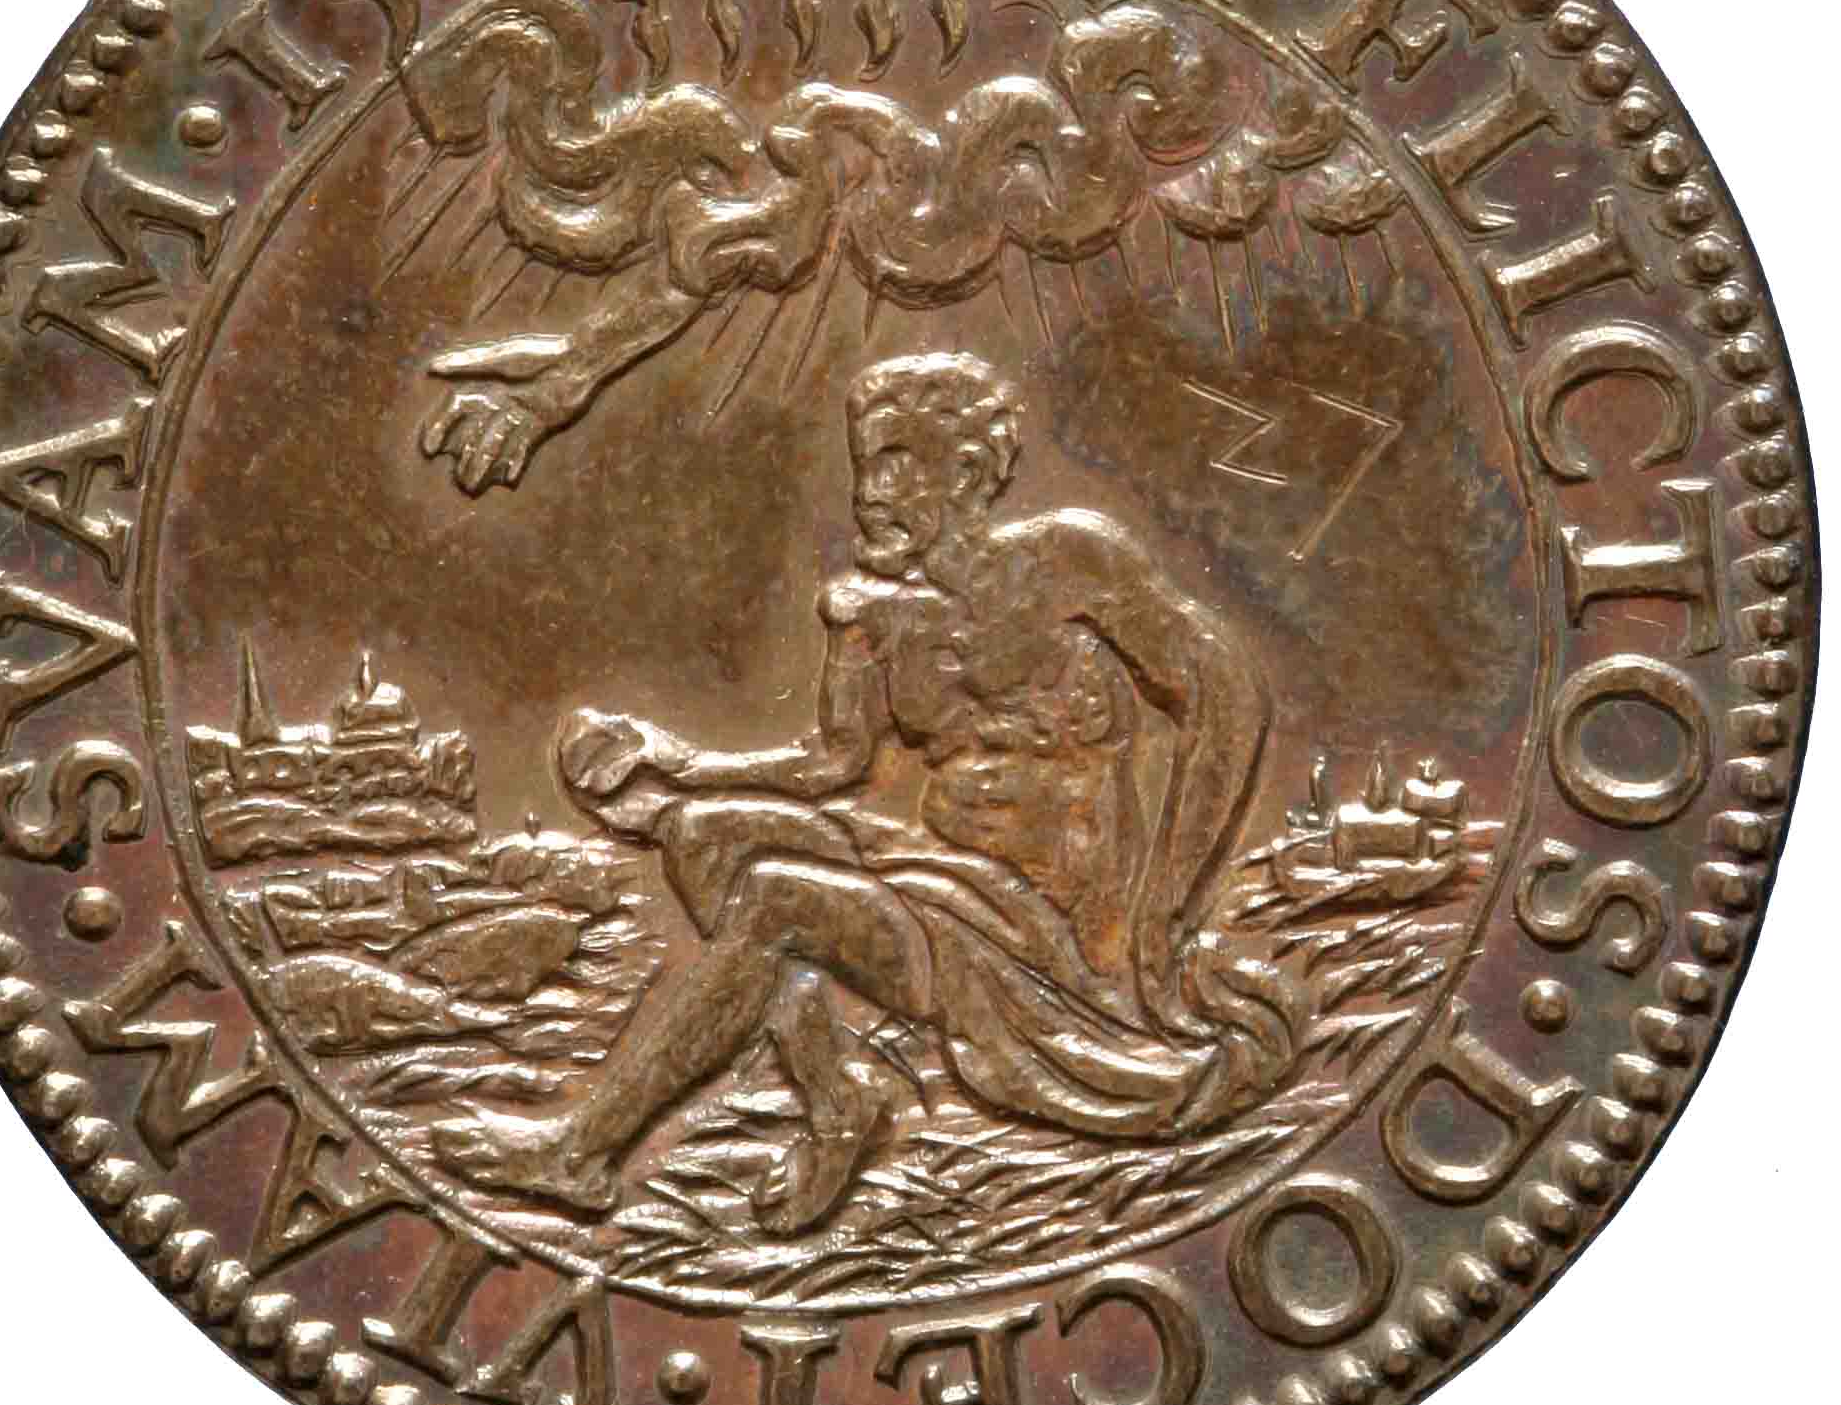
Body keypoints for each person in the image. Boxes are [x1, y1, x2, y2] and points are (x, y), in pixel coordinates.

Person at [433, 351, 1305, 1231]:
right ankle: (838, 1099)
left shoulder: (1068, 563)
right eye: (864, 465)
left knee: (777, 898)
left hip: (1049, 927)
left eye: (897, 463)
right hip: (938, 880)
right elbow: (833, 766)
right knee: (700, 834)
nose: (870, 492)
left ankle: (582, 1151)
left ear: (967, 472)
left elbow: (1224, 695)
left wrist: (1165, 913)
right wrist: (672, 766)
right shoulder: (873, 619)